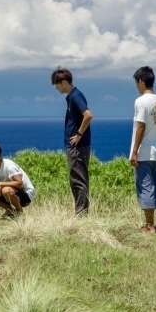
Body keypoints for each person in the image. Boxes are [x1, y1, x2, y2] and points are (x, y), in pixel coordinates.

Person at [129, 66, 156, 233]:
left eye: (136, 83)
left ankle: (149, 225)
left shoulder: (140, 101)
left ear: (141, 81)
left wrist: (135, 151)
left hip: (145, 153)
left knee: (146, 187)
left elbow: (141, 126)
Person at [51, 66, 93, 217]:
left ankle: (81, 215)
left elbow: (88, 115)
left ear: (63, 82)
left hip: (78, 147)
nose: (56, 88)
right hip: (74, 146)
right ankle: (80, 212)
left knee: (79, 181)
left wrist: (79, 134)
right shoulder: (72, 97)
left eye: (56, 84)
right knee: (76, 180)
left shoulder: (75, 96)